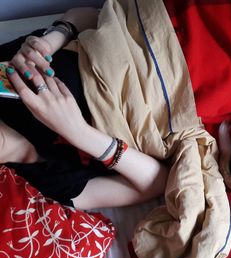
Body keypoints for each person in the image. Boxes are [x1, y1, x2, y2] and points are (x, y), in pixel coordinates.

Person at [0, 7, 168, 210]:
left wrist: (56, 36)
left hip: (157, 34)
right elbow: (158, 181)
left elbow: (93, 16)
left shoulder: (8, 71)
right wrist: (77, 130)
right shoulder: (44, 185)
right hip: (176, 96)